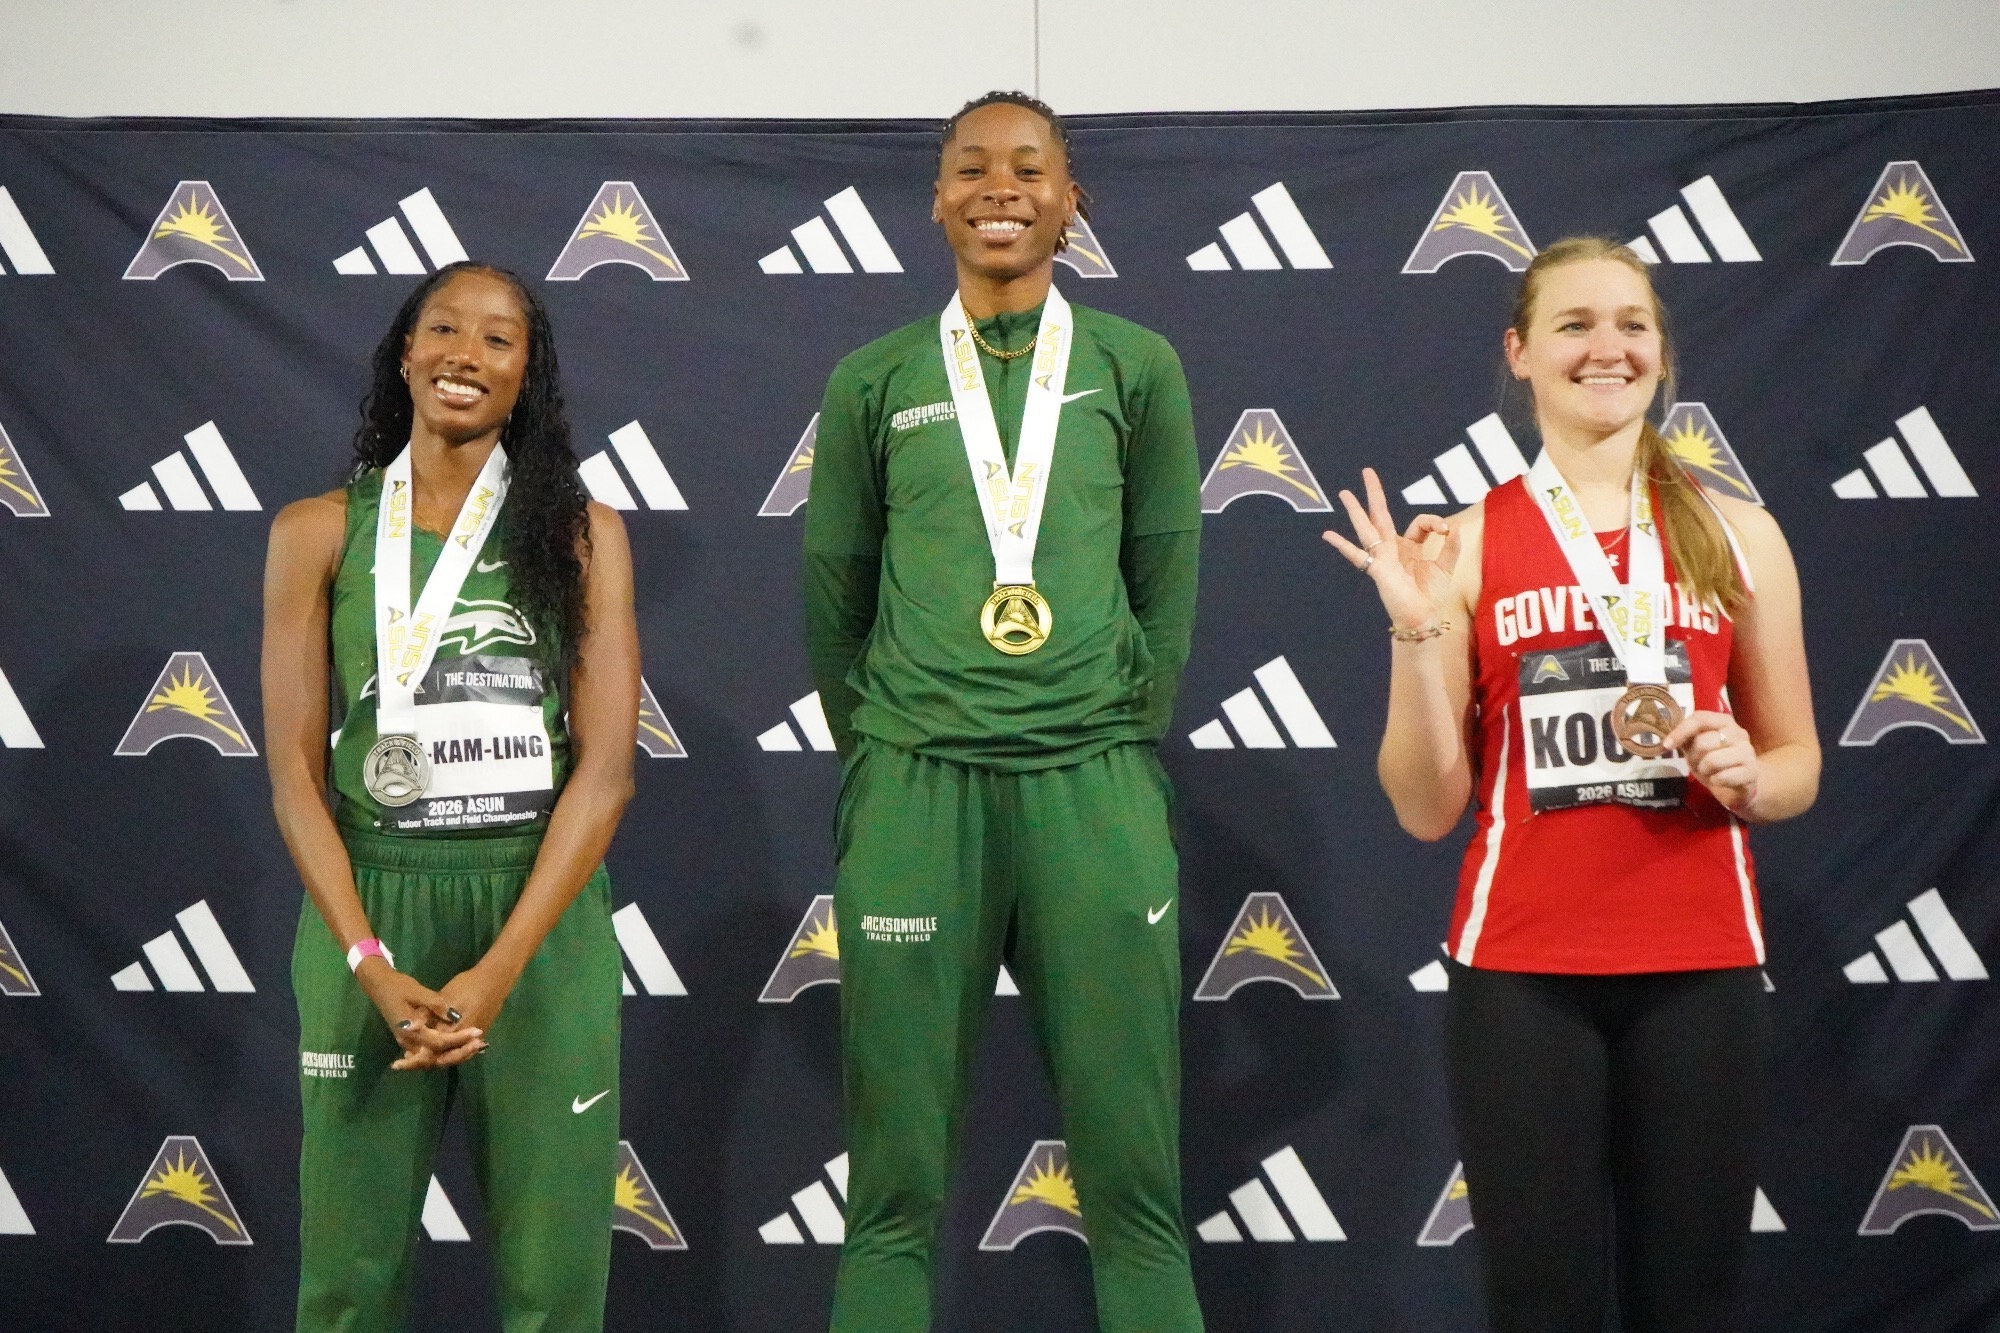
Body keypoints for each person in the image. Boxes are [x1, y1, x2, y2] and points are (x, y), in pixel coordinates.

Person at [1324, 237, 1818, 1332]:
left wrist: (1750, 772)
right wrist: (1417, 637)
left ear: (1660, 348)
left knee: (1685, 1302)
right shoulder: (1456, 543)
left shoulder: (1740, 534)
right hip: (1520, 977)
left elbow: (1796, 767)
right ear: (1519, 353)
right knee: (1538, 1304)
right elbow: (1422, 807)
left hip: (1701, 967)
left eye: (1631, 324)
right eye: (1575, 324)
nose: (1609, 348)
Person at [803, 91, 1206, 1333]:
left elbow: (1166, 578)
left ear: (1069, 199)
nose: (1000, 185)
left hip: (1091, 781)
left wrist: (1104, 724)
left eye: (1030, 167)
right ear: (934, 199)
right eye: (971, 166)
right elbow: (836, 596)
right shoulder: (872, 378)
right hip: (917, 785)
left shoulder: (1136, 364)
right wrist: (891, 741)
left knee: (1135, 1187)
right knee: (893, 1190)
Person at [262, 261, 639, 1332]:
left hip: (536, 915)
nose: (464, 355)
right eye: (442, 330)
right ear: (404, 354)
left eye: (497, 340)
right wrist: (369, 964)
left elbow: (604, 770)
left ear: (530, 377)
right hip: (374, 906)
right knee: (347, 1276)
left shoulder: (579, 532)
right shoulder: (315, 531)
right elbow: (294, 775)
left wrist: (500, 966)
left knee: (554, 1282)